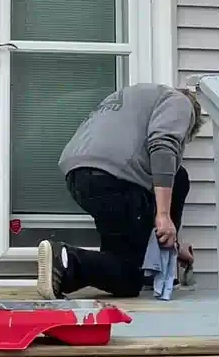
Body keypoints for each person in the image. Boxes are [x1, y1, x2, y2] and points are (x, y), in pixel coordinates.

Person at [36, 81, 202, 300]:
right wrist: (163, 216)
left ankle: (62, 272)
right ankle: (67, 259)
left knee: (116, 261)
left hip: (80, 175)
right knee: (128, 277)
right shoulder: (181, 102)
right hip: (116, 178)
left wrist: (174, 244)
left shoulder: (137, 97)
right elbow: (163, 147)